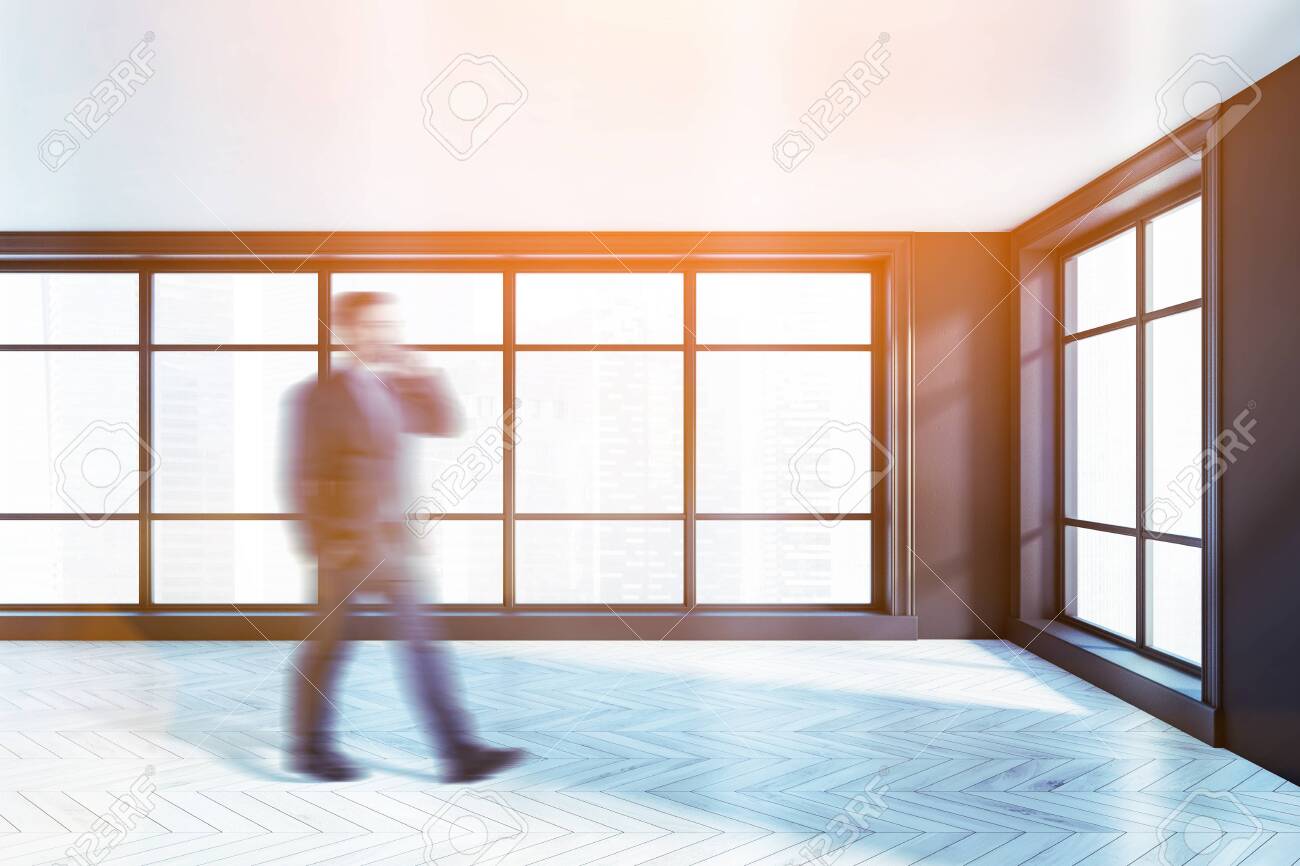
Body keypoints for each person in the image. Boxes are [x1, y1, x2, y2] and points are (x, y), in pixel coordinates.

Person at [284, 290, 523, 783]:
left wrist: (422, 373)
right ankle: (307, 749)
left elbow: (444, 423)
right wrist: (322, 545)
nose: (383, 335)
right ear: (346, 332)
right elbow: (300, 474)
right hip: (344, 549)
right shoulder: (317, 396)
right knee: (329, 648)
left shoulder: (395, 390)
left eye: (389, 326)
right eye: (372, 326)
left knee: (423, 646)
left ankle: (458, 753)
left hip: (396, 546)